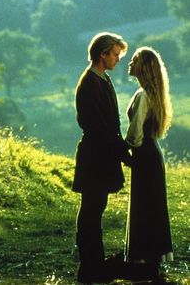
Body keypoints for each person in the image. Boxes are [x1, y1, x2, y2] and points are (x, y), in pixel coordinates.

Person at [72, 32, 132, 284]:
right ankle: (90, 267)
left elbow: (109, 125)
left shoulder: (101, 80)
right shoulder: (90, 83)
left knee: (95, 208)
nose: (118, 59)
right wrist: (123, 151)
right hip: (95, 156)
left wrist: (120, 149)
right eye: (115, 54)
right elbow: (100, 126)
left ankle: (94, 265)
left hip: (101, 154)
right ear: (103, 54)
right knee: (91, 210)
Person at [124, 46, 173, 280]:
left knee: (144, 204)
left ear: (143, 66)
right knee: (152, 204)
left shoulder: (143, 95)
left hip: (144, 154)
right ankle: (151, 257)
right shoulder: (153, 94)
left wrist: (124, 149)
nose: (129, 63)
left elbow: (135, 134)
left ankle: (143, 257)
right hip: (153, 153)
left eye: (134, 60)